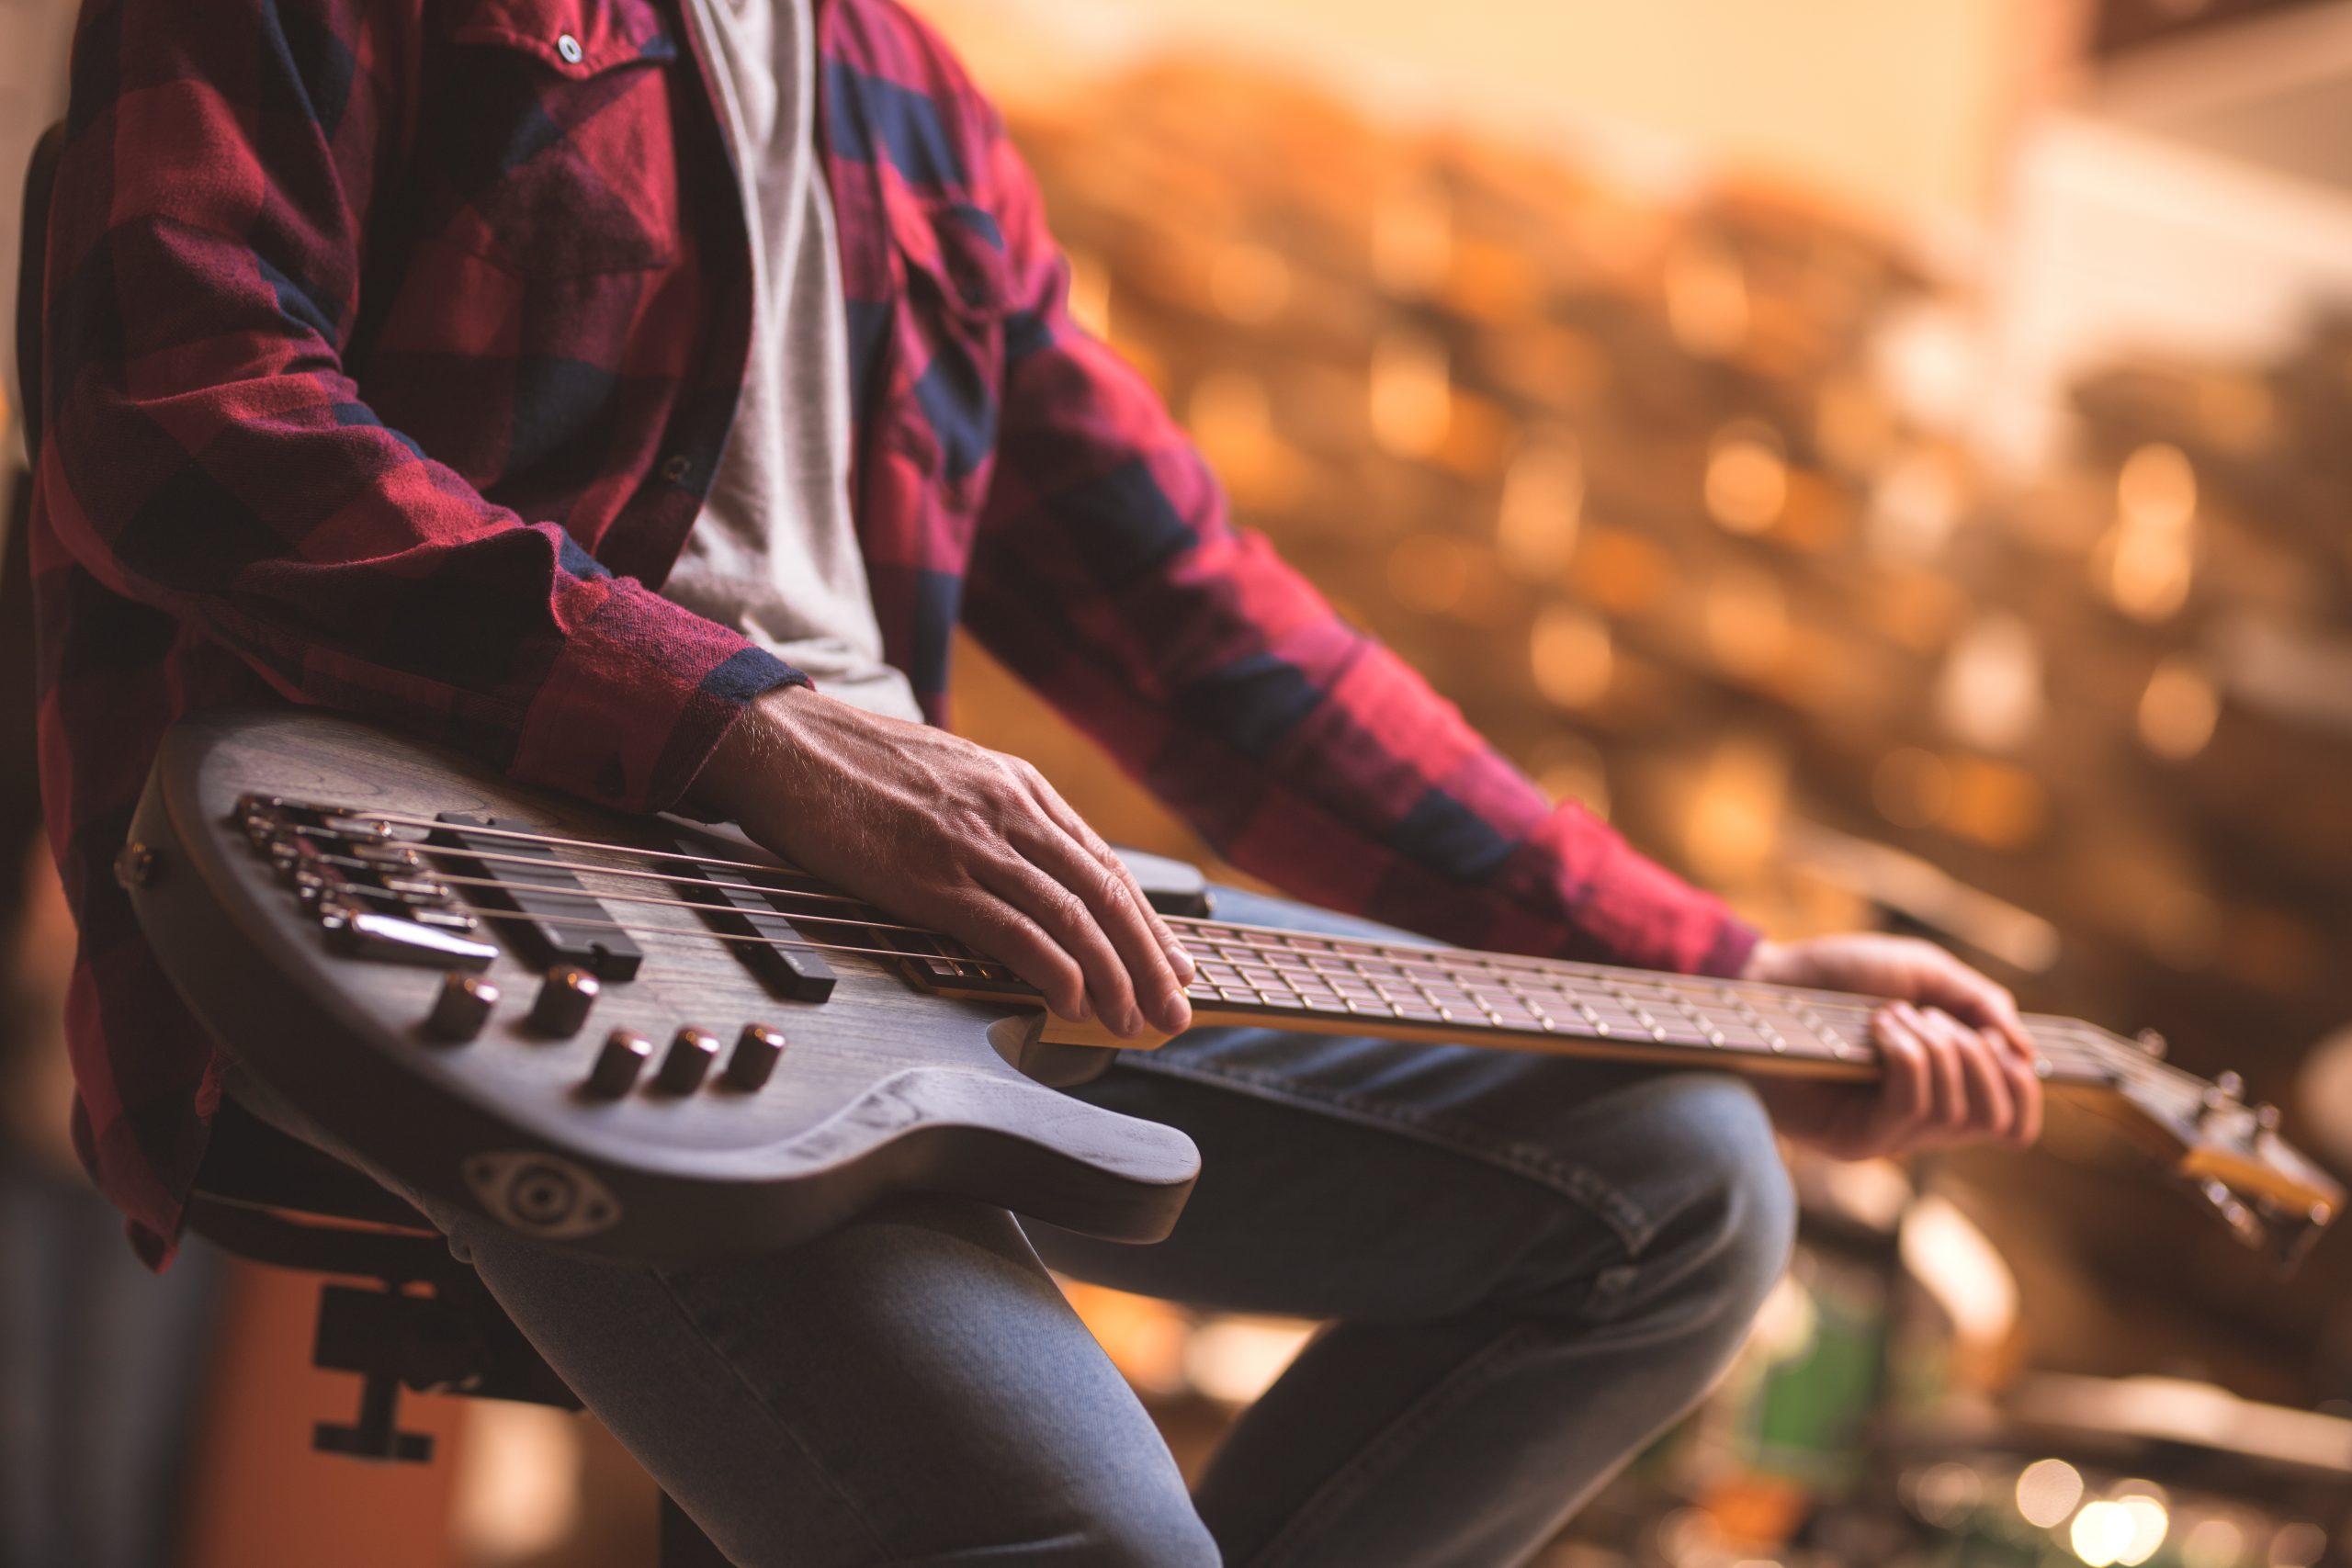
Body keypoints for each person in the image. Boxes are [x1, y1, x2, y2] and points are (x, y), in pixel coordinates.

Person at [30, 1, 2041, 1562]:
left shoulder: (909, 100)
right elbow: (170, 402)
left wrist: (1720, 960)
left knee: (1681, 1182)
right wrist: (747, 722)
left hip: (862, 932)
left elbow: (1202, 634)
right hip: (451, 888)